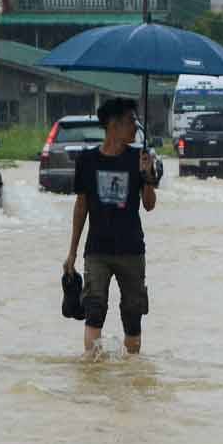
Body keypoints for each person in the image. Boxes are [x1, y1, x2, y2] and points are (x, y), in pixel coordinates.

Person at [64, 98, 158, 357]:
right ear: (113, 125)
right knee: (94, 310)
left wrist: (148, 175)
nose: (135, 128)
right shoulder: (87, 160)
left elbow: (149, 205)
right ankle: (92, 372)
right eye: (131, 122)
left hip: (132, 251)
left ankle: (132, 374)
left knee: (133, 315)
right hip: (97, 251)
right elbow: (81, 207)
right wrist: (72, 252)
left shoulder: (139, 158)